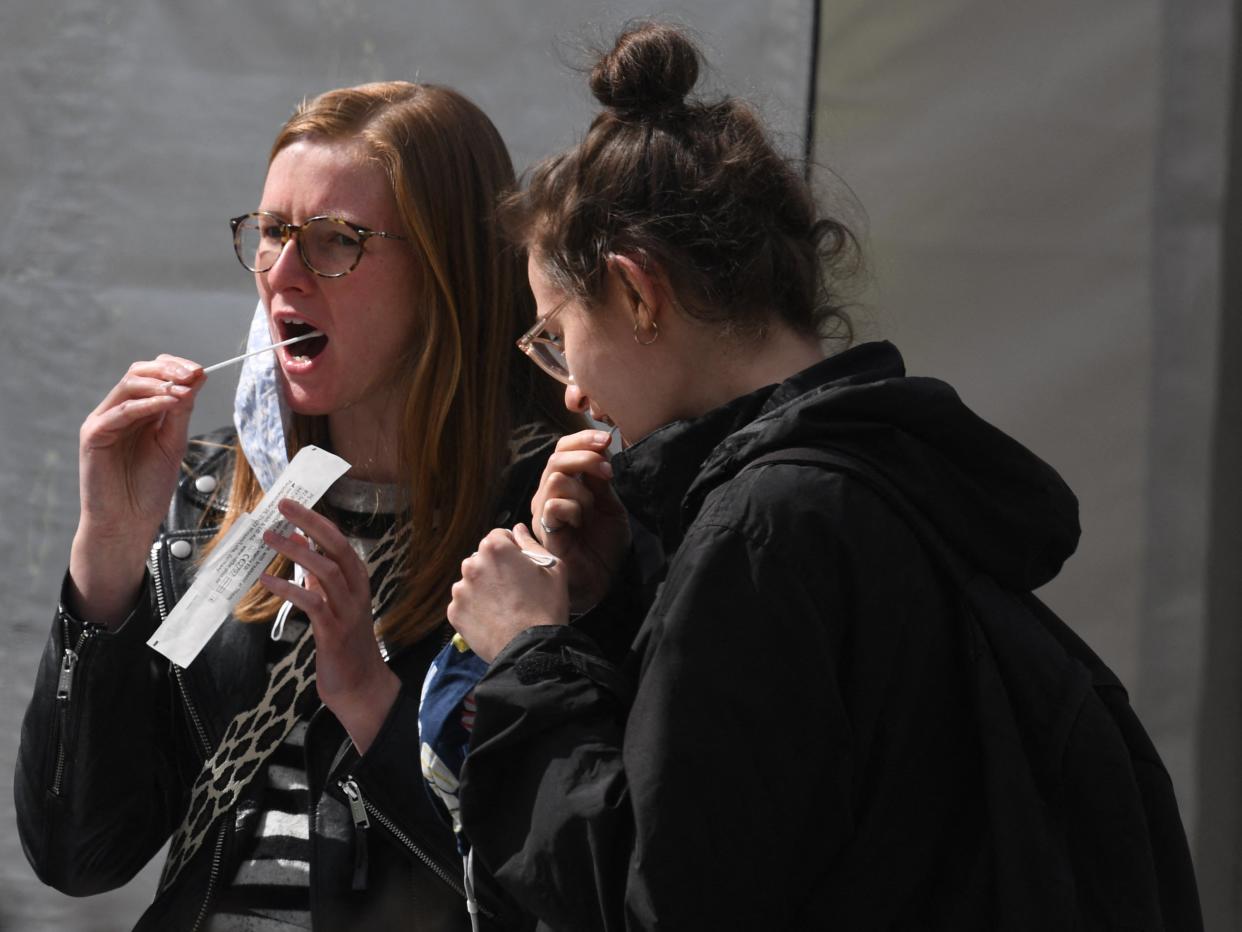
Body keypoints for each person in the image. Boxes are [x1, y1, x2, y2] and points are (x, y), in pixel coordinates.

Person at [443, 22, 1203, 932]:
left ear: (639, 294)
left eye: (557, 336)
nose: (569, 389)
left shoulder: (765, 528)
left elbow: (666, 901)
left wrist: (529, 654)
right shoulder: (884, 480)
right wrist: (617, 601)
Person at [15, 81, 573, 931]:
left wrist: (371, 702)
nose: (281, 272)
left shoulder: (547, 523)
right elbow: (78, 854)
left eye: (333, 241)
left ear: (447, 269)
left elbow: (557, 883)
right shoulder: (212, 500)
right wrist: (106, 561)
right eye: (272, 233)